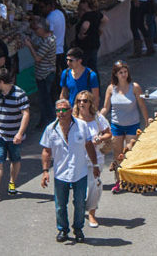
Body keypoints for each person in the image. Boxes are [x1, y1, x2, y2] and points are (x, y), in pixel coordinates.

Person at [41, 98, 100, 244]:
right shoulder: (50, 129)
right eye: (58, 110)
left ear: (70, 110)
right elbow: (46, 151)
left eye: (64, 110)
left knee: (80, 203)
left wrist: (95, 165)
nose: (61, 113)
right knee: (60, 204)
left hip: (80, 171)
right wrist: (45, 171)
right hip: (60, 173)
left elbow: (89, 145)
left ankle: (78, 229)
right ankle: (62, 229)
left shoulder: (81, 126)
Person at [100, 61, 149, 194]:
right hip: (116, 125)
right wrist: (97, 118)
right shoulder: (111, 89)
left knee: (130, 153)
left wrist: (147, 122)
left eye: (125, 72)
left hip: (132, 124)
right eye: (120, 72)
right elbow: (106, 107)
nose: (123, 74)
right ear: (115, 74)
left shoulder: (134, 87)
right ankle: (118, 181)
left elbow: (142, 105)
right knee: (117, 155)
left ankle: (132, 180)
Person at [0, 68, 30, 199]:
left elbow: (26, 114)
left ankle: (12, 183)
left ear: (1, 81)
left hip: (14, 135)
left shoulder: (20, 94)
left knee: (15, 159)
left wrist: (20, 133)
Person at [72, 90, 111, 229]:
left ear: (90, 103)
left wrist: (99, 138)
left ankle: (92, 212)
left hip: (96, 158)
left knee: (95, 185)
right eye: (79, 101)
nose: (81, 103)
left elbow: (108, 134)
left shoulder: (97, 118)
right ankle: (80, 208)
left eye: (85, 101)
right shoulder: (73, 118)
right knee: (80, 187)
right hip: (78, 159)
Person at [25, 16, 57, 128]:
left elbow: (38, 58)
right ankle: (46, 119)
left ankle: (50, 119)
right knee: (45, 98)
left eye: (37, 28)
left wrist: (29, 46)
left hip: (45, 74)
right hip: (44, 73)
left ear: (42, 29)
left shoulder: (48, 41)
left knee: (45, 99)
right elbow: (40, 48)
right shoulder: (47, 39)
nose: (36, 31)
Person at [74, 0, 108, 72]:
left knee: (83, 67)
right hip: (95, 43)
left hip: (85, 45)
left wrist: (80, 35)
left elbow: (85, 26)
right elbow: (106, 19)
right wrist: (100, 30)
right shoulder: (96, 13)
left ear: (85, 3)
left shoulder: (87, 16)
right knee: (93, 67)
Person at [41, 0, 67, 83]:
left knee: (54, 76)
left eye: (43, 7)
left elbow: (49, 35)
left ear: (49, 6)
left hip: (54, 51)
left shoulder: (50, 18)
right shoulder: (60, 13)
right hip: (60, 47)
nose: (42, 10)